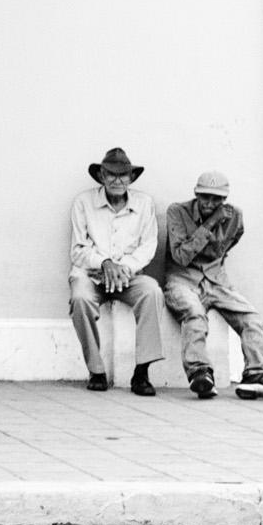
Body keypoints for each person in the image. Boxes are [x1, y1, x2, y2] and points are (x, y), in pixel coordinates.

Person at [163, 170, 263, 401]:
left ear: (224, 199)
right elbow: (181, 256)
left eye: (216, 199)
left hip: (216, 281)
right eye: (205, 197)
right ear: (196, 194)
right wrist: (212, 222)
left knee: (252, 318)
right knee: (194, 315)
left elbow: (231, 241)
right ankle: (200, 373)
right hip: (183, 280)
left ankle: (256, 374)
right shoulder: (177, 211)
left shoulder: (235, 216)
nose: (209, 203)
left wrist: (214, 264)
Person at [67, 146, 166, 395]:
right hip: (91, 274)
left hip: (128, 276)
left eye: (123, 175)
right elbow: (78, 250)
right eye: (111, 174)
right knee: (80, 298)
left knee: (152, 292)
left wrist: (123, 268)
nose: (117, 180)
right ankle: (96, 370)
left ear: (131, 178)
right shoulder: (83, 202)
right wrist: (104, 263)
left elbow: (148, 246)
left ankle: (142, 372)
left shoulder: (144, 203)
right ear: (101, 176)